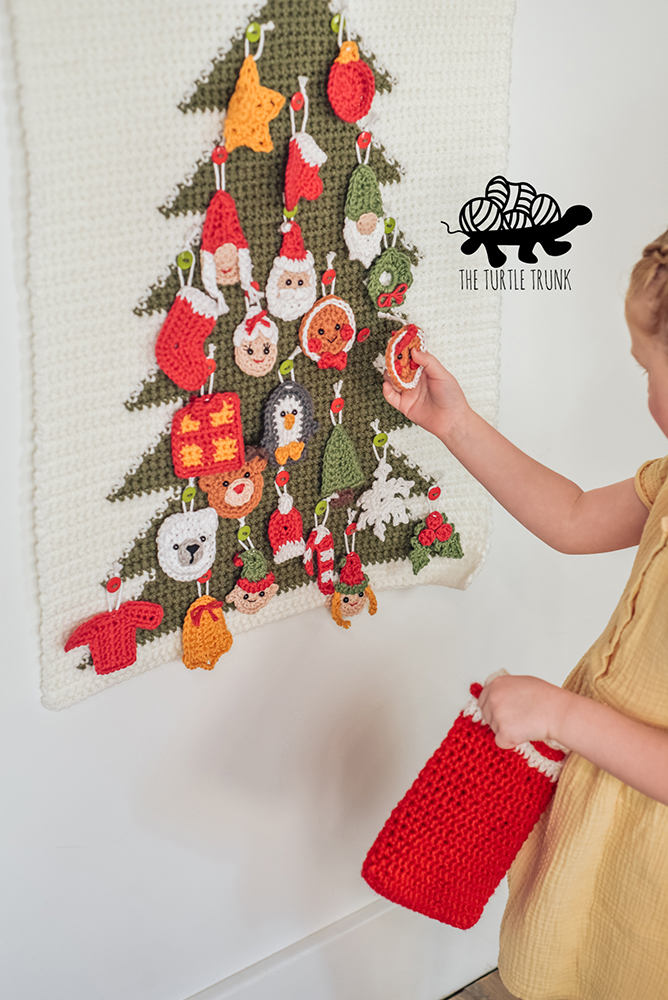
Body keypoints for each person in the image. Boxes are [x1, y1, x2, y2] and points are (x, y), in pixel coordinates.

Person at [382, 231, 668, 1000]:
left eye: (652, 371)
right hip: (610, 810)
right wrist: (456, 425)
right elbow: (573, 516)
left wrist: (561, 714)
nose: (645, 395)